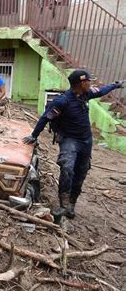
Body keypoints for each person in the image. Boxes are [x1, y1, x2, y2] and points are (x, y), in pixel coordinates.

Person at [23, 70, 124, 219]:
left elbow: (101, 91)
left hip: (86, 140)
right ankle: (63, 204)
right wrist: (34, 136)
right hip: (70, 140)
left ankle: (72, 203)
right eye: (89, 81)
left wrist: (115, 86)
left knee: (81, 172)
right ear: (82, 83)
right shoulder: (62, 101)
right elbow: (45, 118)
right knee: (67, 168)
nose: (91, 84)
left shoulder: (86, 94)